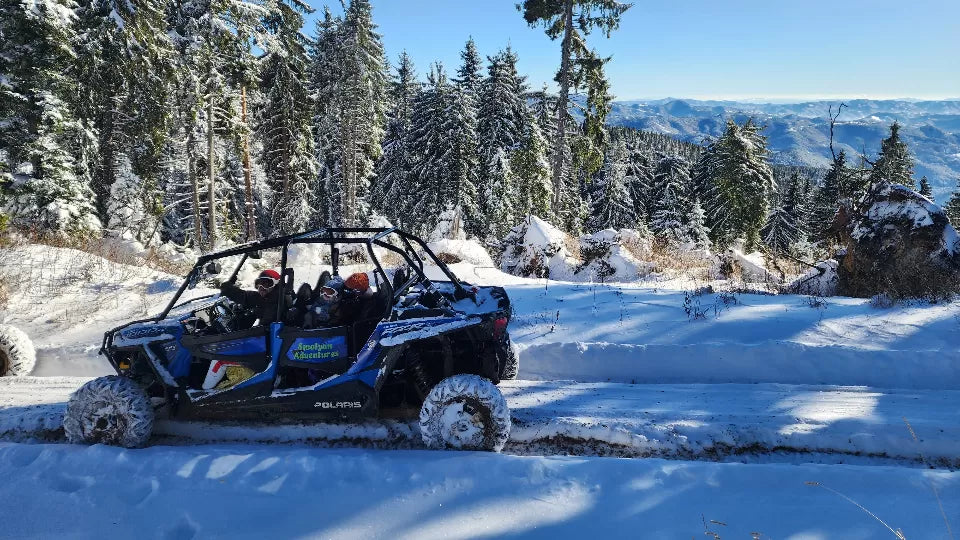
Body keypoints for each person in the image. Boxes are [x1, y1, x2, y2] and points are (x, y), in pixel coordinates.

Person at [219, 269, 291, 326]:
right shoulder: (263, 297)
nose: (261, 287)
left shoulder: (277, 301)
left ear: (276, 284)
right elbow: (245, 296)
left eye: (266, 284)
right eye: (258, 284)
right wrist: (228, 288)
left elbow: (264, 327)